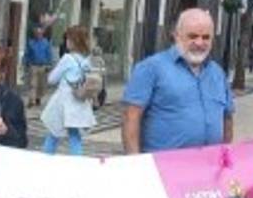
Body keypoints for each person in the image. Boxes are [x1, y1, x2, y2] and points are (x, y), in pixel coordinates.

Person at [122, 9, 234, 154]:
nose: (199, 43)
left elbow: (227, 118)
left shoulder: (217, 73)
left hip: (209, 167)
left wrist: (225, 158)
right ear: (176, 36)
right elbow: (131, 116)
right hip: (165, 169)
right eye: (192, 36)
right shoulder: (150, 68)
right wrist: (134, 163)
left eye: (206, 37)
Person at [40, 25, 97, 155]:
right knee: (75, 136)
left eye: (68, 39)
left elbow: (52, 79)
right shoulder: (86, 61)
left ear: (73, 41)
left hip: (63, 102)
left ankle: (45, 160)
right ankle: (77, 164)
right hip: (79, 101)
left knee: (53, 133)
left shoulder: (67, 59)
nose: (66, 42)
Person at [23, 25, 56, 107]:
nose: (38, 35)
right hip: (33, 66)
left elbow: (49, 54)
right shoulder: (31, 43)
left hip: (43, 66)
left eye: (40, 33)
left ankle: (38, 97)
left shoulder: (46, 43)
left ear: (42, 34)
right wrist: (25, 63)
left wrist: (50, 64)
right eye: (37, 33)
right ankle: (32, 100)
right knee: (32, 84)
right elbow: (27, 54)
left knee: (41, 84)